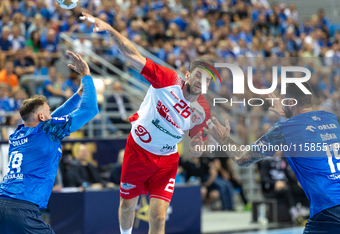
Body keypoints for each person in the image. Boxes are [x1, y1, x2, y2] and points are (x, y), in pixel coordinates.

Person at [80, 12, 212, 234]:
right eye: (198, 76)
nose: (201, 82)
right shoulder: (168, 79)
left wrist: (204, 141)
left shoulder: (202, 111)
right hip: (139, 151)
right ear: (188, 74)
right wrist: (111, 30)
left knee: (159, 218)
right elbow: (132, 55)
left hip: (167, 160)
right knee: (127, 206)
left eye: (206, 79)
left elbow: (197, 147)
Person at [204, 82, 340, 233]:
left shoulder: (284, 130)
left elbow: (241, 158)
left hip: (329, 209)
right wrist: (288, 113)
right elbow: (305, 123)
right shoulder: (330, 118)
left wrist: (223, 139)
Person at [0, 51, 99, 234]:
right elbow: (90, 109)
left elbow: (55, 117)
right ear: (40, 116)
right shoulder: (46, 130)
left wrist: (77, 94)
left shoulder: (18, 134)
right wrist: (86, 76)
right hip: (24, 210)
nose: (51, 114)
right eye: (47, 112)